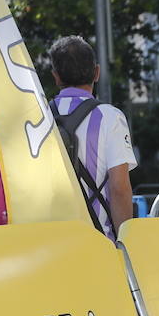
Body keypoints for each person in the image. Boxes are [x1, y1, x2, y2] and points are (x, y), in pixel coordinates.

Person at [49, 35, 136, 239]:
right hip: (99, 242)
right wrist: (126, 241)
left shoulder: (38, 116)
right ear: (97, 72)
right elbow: (119, 187)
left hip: (49, 246)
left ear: (56, 77)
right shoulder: (110, 117)